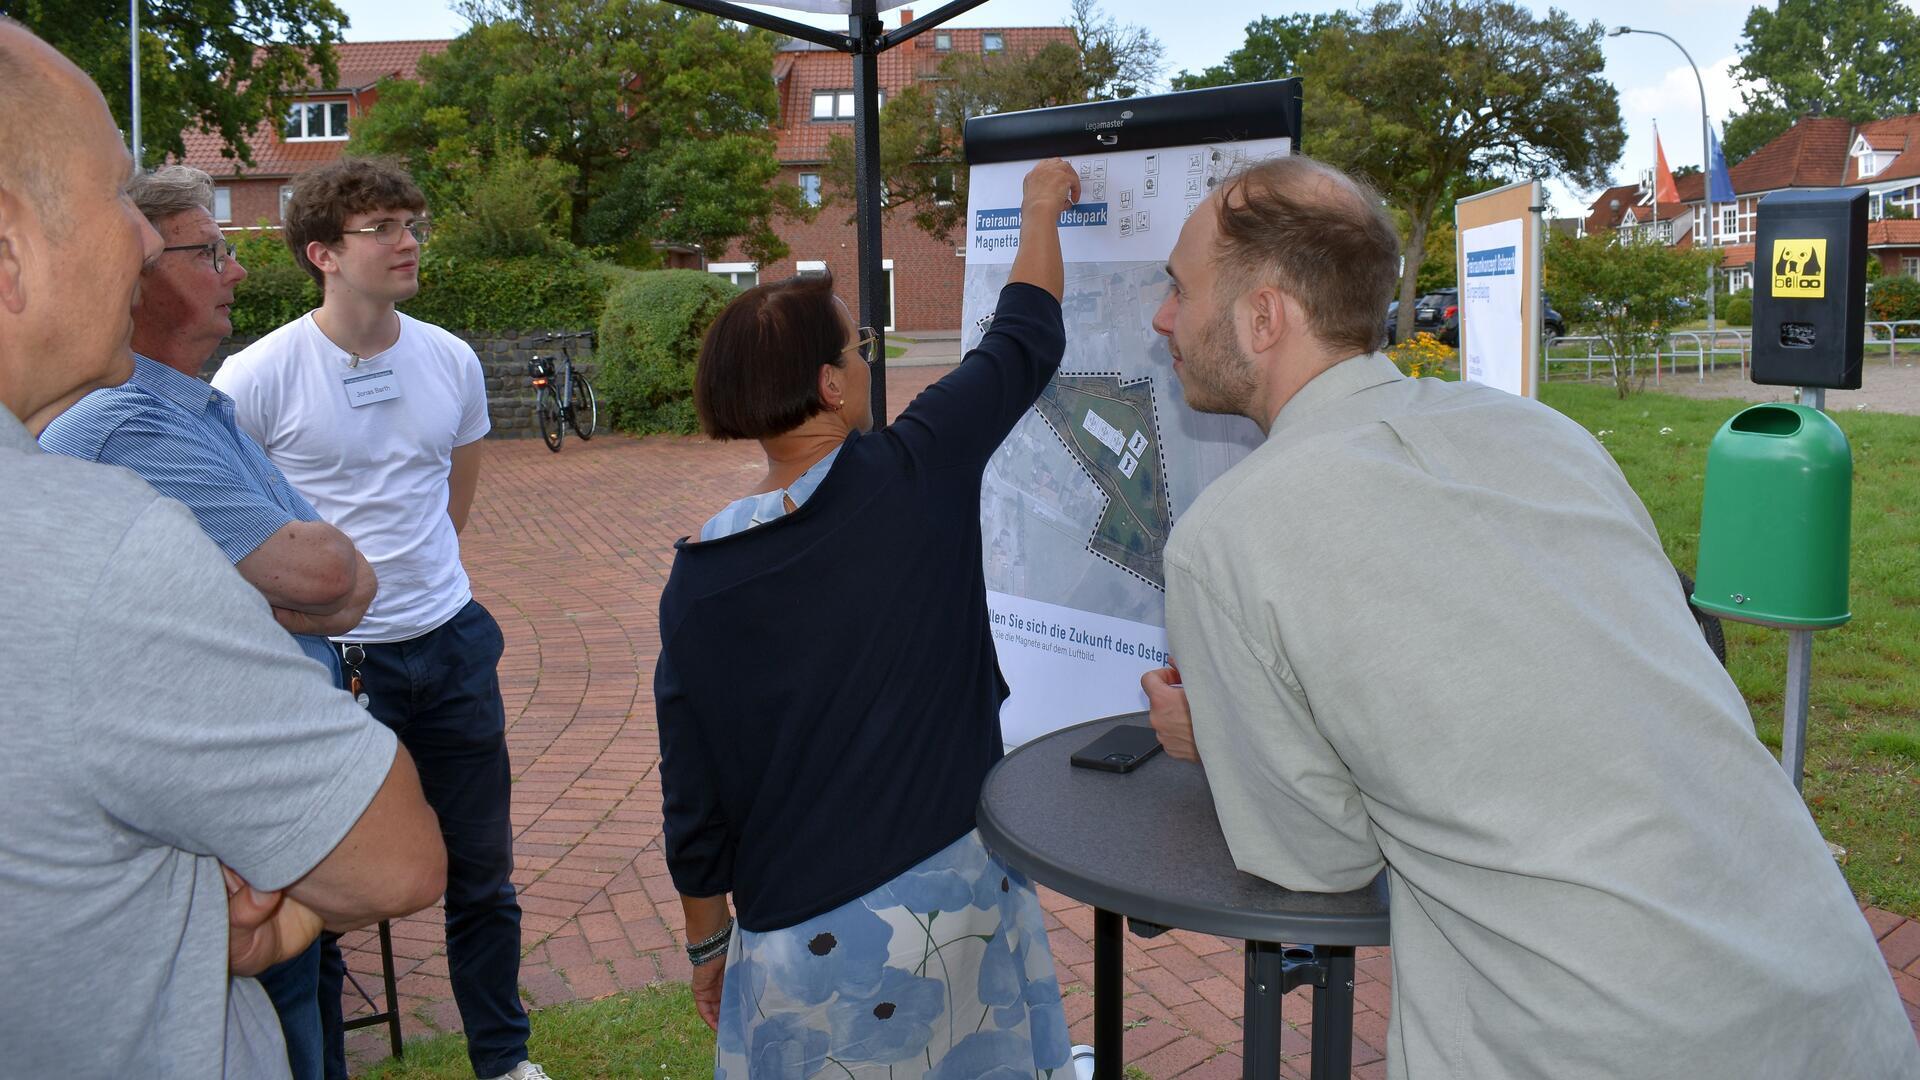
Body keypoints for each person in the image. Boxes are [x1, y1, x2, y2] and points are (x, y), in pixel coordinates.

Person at [1140, 154, 1920, 1079]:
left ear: (1262, 317)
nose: (1163, 318)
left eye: (1179, 289)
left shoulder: (1228, 541)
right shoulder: (1548, 435)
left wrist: (1218, 735)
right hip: (1840, 1007)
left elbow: (1320, 859)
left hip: (1589, 1047)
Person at [0, 19, 446, 1076]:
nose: (147, 243)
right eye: (119, 197)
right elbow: (394, 861)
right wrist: (277, 916)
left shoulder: (193, 417)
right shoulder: (89, 537)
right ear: (9, 250)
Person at [655, 158, 1081, 1078]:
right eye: (856, 350)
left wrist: (703, 946)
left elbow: (694, 793)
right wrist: (1040, 207)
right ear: (831, 386)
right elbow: (1024, 336)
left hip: (796, 935)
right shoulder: (915, 472)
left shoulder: (702, 576)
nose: (864, 362)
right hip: (951, 896)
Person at [38, 162, 379, 1080]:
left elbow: (346, 578)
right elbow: (320, 570)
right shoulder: (125, 426)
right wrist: (290, 588)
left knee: (305, 1000)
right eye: (211, 253)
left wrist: (279, 588)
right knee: (275, 1015)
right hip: (233, 819)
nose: (236, 274)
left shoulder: (201, 409)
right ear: (139, 270)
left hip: (260, 797)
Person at [212, 158, 539, 1080]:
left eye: (413, 223)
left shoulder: (449, 358)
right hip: (324, 663)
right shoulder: (258, 376)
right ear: (322, 252)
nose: (408, 242)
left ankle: (504, 1062)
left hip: (450, 643)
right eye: (383, 228)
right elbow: (244, 529)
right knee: (318, 890)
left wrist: (421, 589)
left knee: (484, 877)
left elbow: (453, 496)